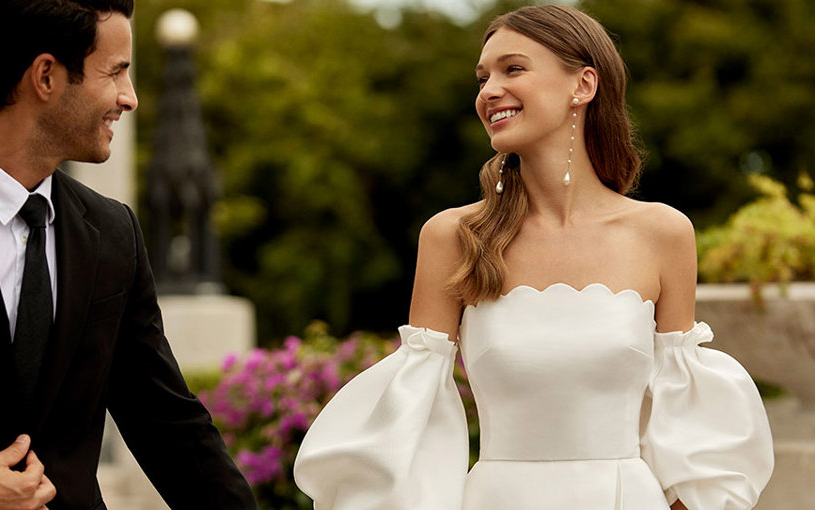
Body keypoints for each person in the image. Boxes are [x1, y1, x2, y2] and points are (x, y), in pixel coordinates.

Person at [293, 5, 773, 510]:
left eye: (512, 69)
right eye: (483, 77)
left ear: (583, 86)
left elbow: (688, 419)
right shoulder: (454, 236)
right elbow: (414, 418)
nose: (488, 91)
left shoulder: (662, 233)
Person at [0, 1, 257, 509]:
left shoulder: (113, 232)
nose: (129, 98)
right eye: (116, 72)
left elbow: (169, 425)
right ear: (45, 76)